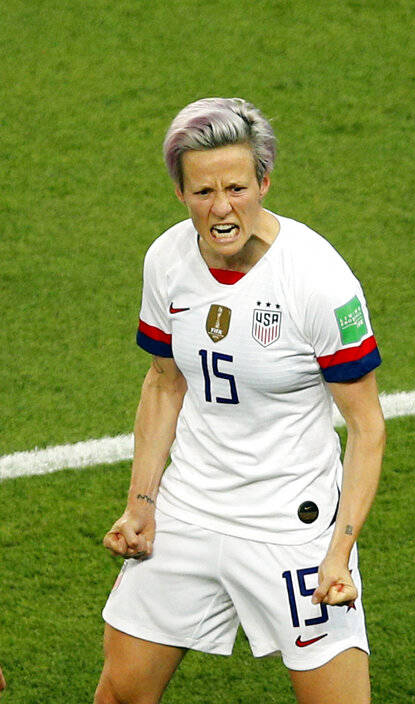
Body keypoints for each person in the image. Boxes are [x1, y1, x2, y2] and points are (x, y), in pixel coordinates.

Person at [95, 98, 386, 704]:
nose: (221, 208)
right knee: (120, 695)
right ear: (180, 192)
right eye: (203, 192)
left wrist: (339, 551)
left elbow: (365, 427)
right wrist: (141, 505)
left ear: (264, 182)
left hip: (290, 525)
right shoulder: (167, 260)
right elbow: (164, 382)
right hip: (191, 508)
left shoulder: (318, 281)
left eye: (236, 187)